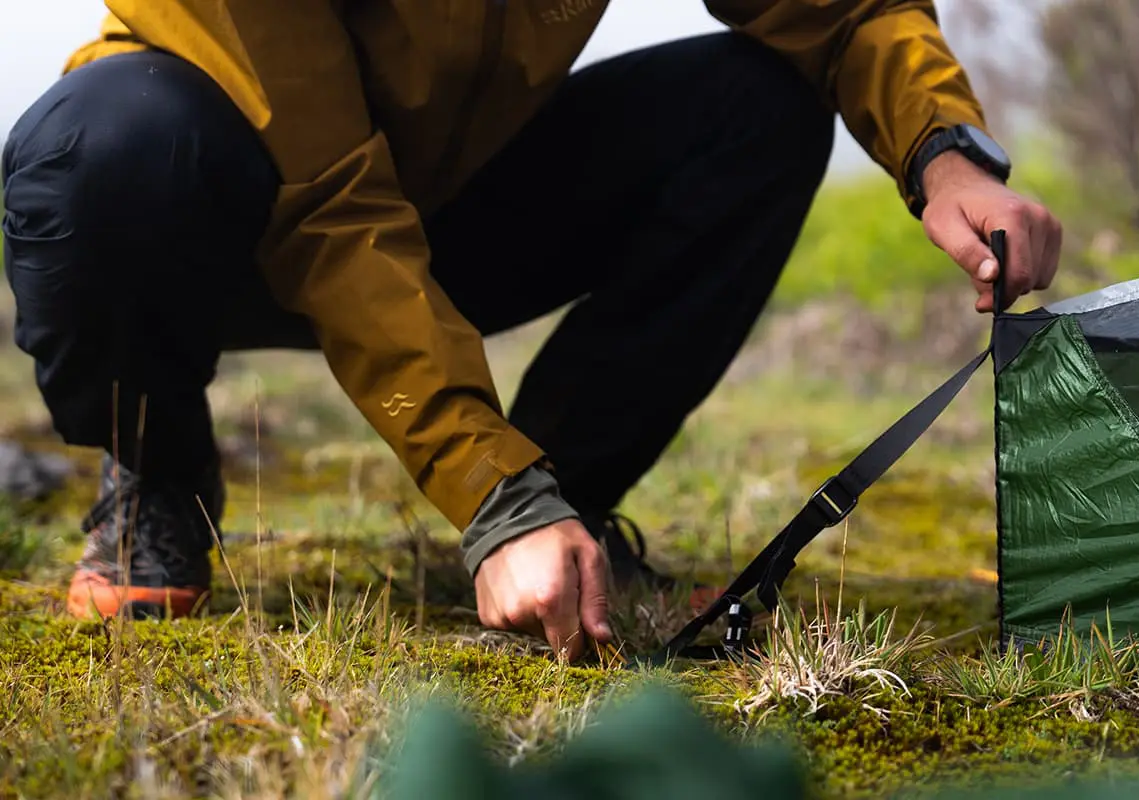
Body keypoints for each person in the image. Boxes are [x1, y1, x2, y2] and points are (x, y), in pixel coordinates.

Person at [1, 1, 1062, 659]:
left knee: (758, 107)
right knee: (102, 150)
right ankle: (160, 470)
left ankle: (568, 509)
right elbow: (330, 208)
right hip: (228, 214)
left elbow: (837, 10)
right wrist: (486, 485)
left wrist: (942, 148)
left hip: (446, 199)